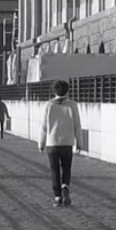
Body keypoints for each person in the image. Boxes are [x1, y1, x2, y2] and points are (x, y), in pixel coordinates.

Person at [38, 79, 83, 207]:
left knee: (54, 170)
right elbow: (77, 125)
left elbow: (43, 126)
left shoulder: (48, 105)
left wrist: (41, 143)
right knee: (67, 168)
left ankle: (57, 196)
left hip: (52, 142)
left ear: (54, 91)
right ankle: (65, 187)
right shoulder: (72, 105)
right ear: (67, 90)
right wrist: (79, 142)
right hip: (67, 142)